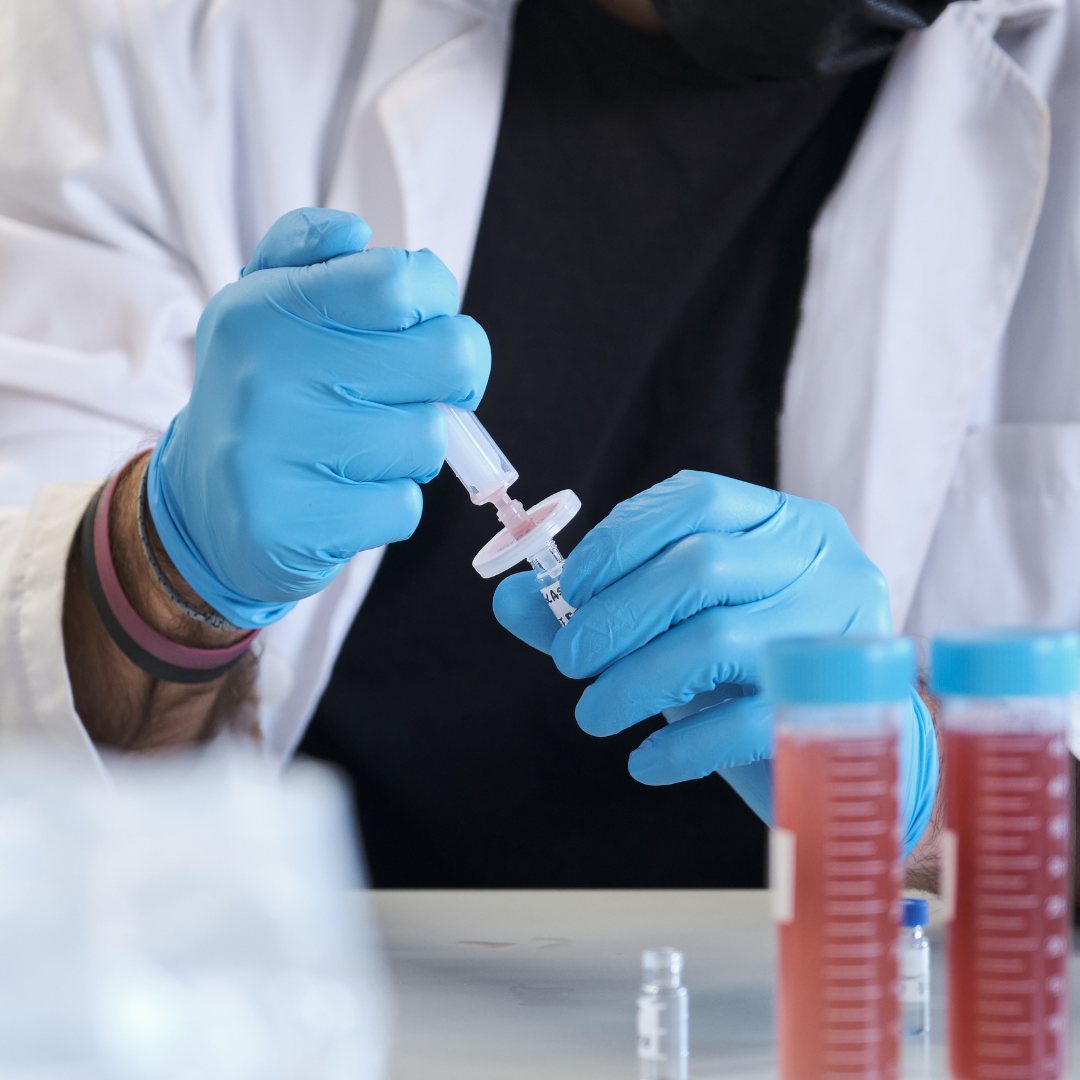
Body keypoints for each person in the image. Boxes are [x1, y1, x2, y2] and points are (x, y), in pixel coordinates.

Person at [0, 0, 1074, 886]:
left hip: (842, 1026)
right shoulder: (155, 38)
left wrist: (932, 793)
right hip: (307, 1000)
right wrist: (161, 569)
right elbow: (33, 762)